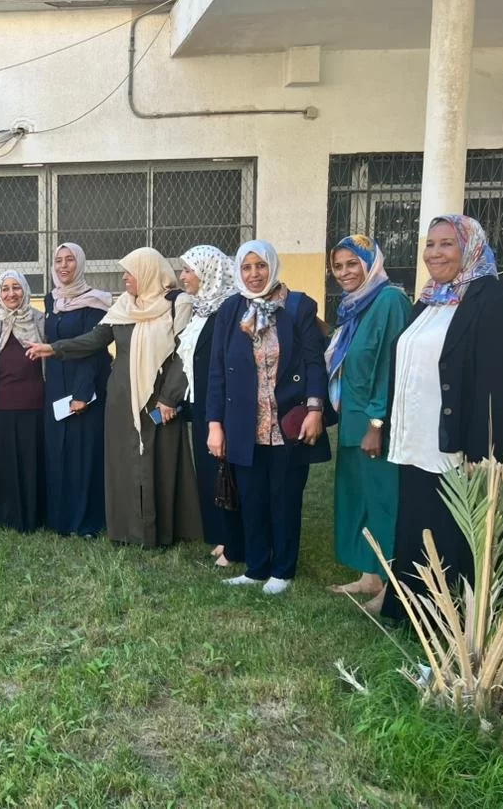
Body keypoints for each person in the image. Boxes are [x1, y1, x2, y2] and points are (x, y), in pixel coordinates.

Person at [27, 247, 202, 549]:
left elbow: (183, 356)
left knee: (156, 461)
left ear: (147, 272)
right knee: (124, 461)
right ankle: (126, 529)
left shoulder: (178, 304)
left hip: (157, 399)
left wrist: (169, 398)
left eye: (129, 272)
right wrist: (54, 348)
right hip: (121, 397)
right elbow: (95, 340)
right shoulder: (124, 306)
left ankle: (160, 531)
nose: (124, 278)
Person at [381, 215, 503, 621]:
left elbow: (494, 380)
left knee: (451, 528)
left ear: (470, 248)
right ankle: (411, 610)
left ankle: (452, 619)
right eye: (430, 244)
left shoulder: (491, 299)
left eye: (447, 244)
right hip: (416, 437)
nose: (434, 253)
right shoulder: (431, 298)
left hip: (455, 445)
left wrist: (481, 448)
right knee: (417, 520)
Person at [205, 240, 333, 595]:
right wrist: (215, 424)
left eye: (260, 265)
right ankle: (257, 567)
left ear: (272, 266)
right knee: (252, 498)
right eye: (246, 267)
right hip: (244, 424)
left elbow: (314, 363)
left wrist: (315, 409)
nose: (254, 274)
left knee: (285, 498)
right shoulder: (230, 310)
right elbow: (217, 370)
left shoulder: (298, 306)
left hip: (288, 422)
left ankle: (283, 570)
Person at [322, 236, 411, 609]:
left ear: (371, 263)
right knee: (357, 499)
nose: (344, 272)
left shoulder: (389, 300)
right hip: (353, 421)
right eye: (338, 266)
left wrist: (377, 423)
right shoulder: (354, 306)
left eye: (352, 263)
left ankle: (393, 585)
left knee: (383, 502)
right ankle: (369, 575)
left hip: (376, 424)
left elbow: (390, 366)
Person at [175, 245, 246, 568]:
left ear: (208, 272)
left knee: (227, 472)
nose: (183, 277)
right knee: (210, 472)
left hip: (222, 404)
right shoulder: (202, 309)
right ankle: (222, 534)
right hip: (201, 401)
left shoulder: (228, 310)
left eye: (188, 270)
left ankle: (236, 541)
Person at [41, 243, 111, 537]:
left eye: (70, 260)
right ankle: (60, 518)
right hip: (57, 385)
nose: (63, 266)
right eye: (58, 260)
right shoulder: (51, 299)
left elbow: (93, 349)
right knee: (58, 450)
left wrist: (83, 394)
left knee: (83, 452)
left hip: (86, 384)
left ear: (80, 264)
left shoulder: (96, 302)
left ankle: (86, 521)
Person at [0, 270, 47, 532]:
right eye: (5, 289)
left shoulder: (40, 321)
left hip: (35, 408)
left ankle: (34, 515)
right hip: (0, 410)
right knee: (2, 464)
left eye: (16, 287)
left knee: (32, 464)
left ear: (25, 290)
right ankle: (2, 515)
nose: (11, 294)